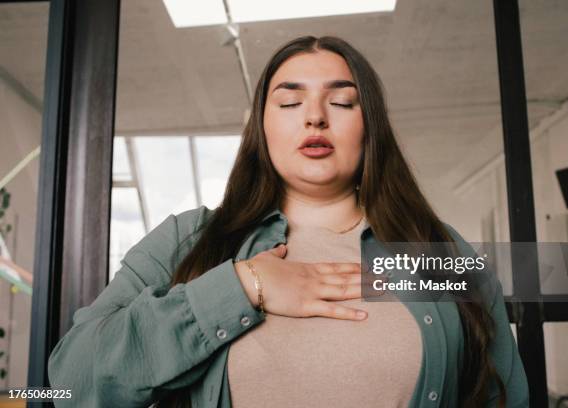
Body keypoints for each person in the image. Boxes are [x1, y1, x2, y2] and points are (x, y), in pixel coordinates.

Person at [48, 36, 529, 408]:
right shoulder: (188, 240)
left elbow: (504, 397)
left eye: (341, 102)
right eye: (290, 102)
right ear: (262, 126)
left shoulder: (438, 251)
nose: (315, 118)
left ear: (371, 128)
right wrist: (242, 285)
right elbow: (72, 381)